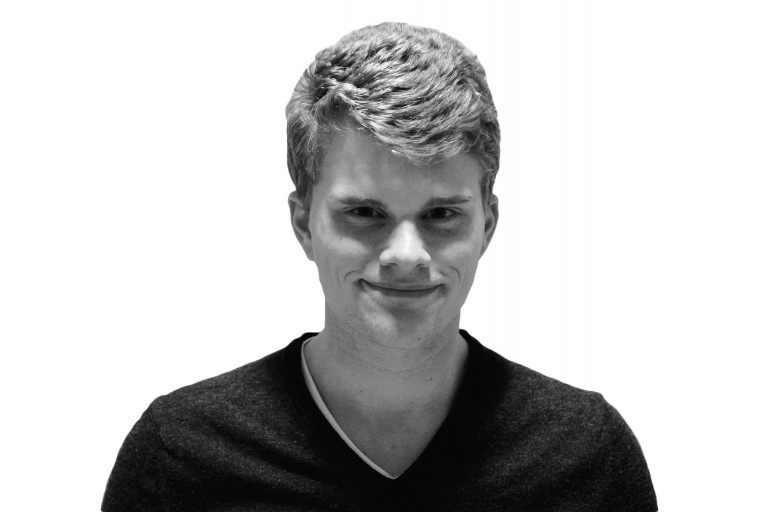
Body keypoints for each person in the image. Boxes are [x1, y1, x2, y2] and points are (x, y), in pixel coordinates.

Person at [102, 22, 657, 511]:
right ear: (303, 223)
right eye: (365, 213)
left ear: (487, 225)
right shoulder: (181, 458)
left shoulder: (586, 456)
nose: (406, 255)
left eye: (441, 214)